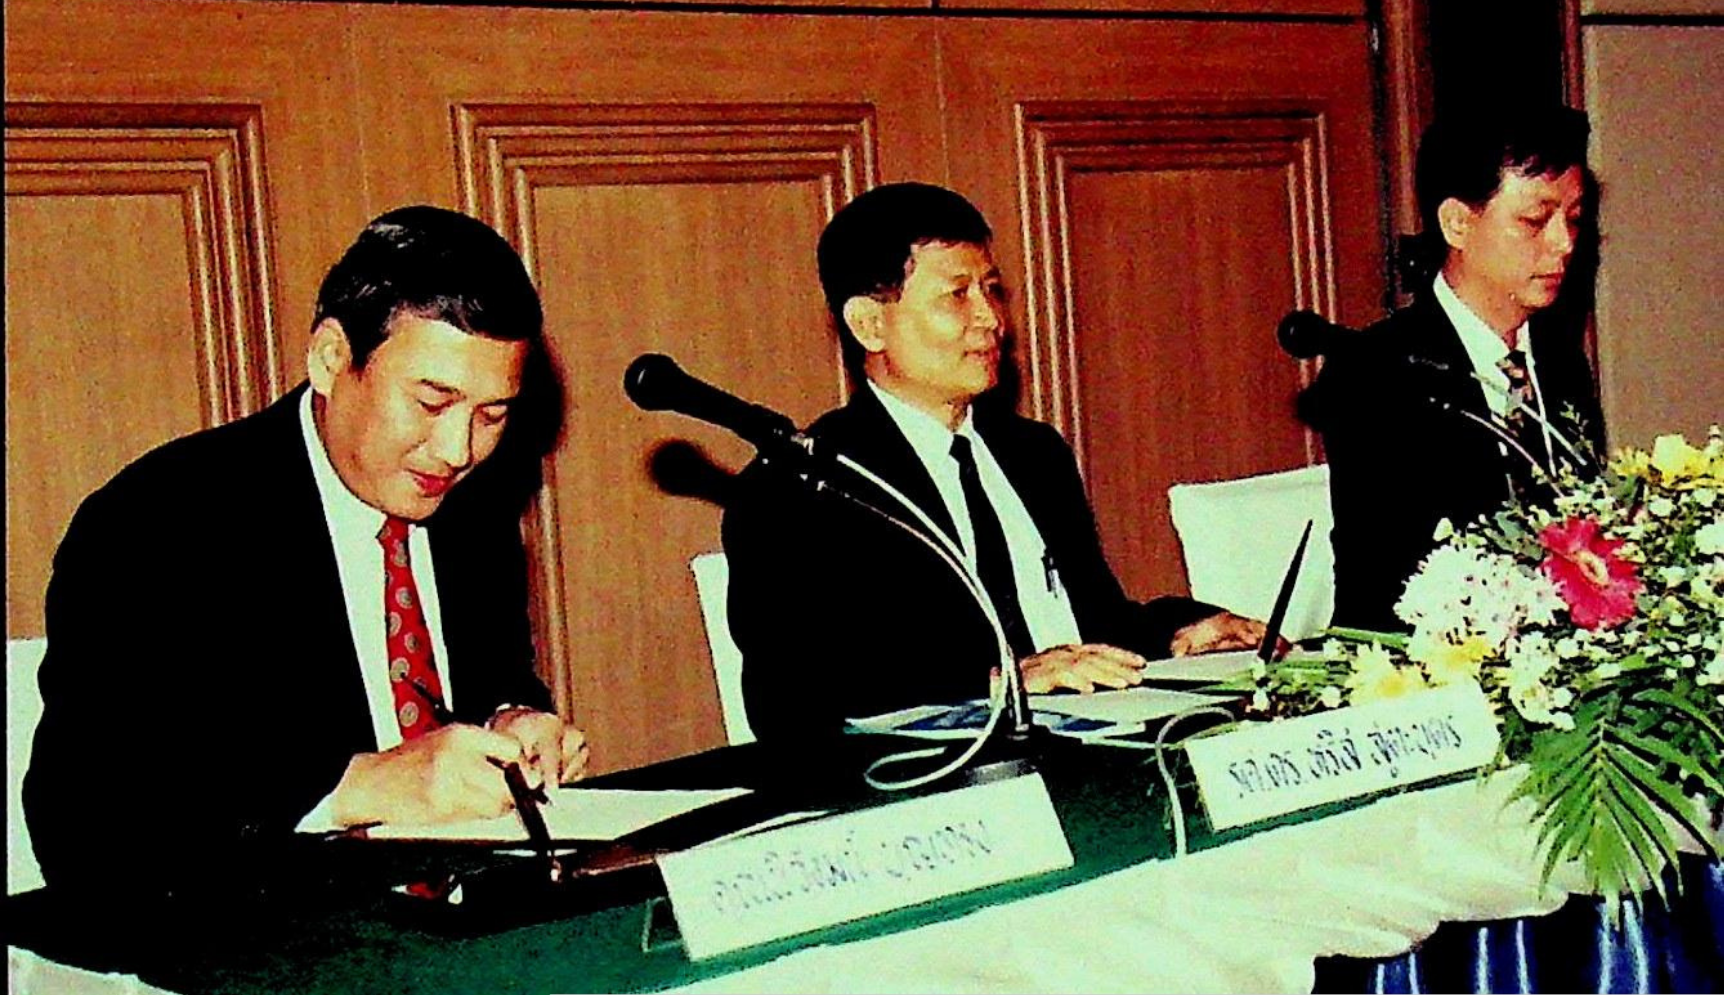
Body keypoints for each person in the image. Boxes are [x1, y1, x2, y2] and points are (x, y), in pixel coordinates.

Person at [23, 205, 587, 894]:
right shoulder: (157, 526)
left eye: (492, 413)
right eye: (431, 403)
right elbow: (82, 822)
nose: (458, 449)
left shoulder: (472, 510)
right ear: (330, 359)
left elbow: (492, 673)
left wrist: (512, 718)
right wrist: (354, 787)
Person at [721, 182, 1270, 741]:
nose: (990, 319)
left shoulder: (1034, 453)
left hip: (1095, 745)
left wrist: (1180, 630)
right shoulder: (802, 487)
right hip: (939, 777)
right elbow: (794, 699)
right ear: (870, 324)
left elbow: (1093, 626)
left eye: (991, 290)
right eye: (957, 295)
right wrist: (999, 682)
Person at [1301, 104, 1606, 632]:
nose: (1564, 242)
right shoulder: (1376, 372)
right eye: (1535, 221)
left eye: (1574, 219)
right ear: (1458, 223)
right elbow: (1390, 587)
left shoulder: (1559, 360)